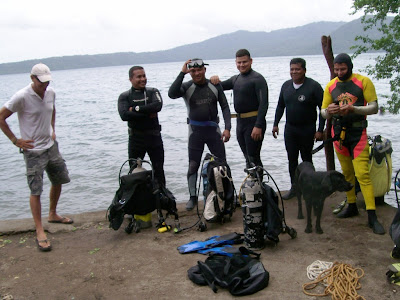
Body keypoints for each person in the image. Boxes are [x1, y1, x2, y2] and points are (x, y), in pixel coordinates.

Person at [0, 63, 72, 252]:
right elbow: (1, 117)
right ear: (32, 78)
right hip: (33, 151)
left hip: (51, 146)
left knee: (59, 179)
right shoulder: (22, 96)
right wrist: (16, 140)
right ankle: (39, 230)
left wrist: (53, 129)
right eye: (42, 83)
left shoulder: (51, 93)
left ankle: (53, 213)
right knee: (36, 190)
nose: (45, 86)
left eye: (47, 82)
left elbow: (52, 110)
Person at [321, 53, 385, 235]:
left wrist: (354, 108)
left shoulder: (363, 81)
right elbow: (324, 112)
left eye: (343, 69)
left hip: (358, 133)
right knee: (347, 173)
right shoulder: (331, 85)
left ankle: (372, 215)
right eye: (336, 69)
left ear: (350, 66)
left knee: (362, 174)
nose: (340, 72)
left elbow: (373, 107)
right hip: (339, 134)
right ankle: (351, 205)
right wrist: (330, 111)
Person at [168, 58, 231, 211]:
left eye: (199, 70)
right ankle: (193, 198)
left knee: (222, 164)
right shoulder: (186, 87)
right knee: (193, 166)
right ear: (190, 72)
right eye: (193, 71)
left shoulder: (214, 85)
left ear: (204, 70)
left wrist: (227, 128)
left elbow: (224, 107)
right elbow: (171, 94)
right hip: (195, 132)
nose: (196, 73)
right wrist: (182, 73)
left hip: (213, 131)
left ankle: (228, 196)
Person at [272, 58, 325, 199]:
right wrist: (275, 124)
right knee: (292, 160)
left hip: (307, 129)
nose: (294, 72)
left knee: (307, 160)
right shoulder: (286, 86)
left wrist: (320, 130)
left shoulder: (314, 86)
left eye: (297, 69)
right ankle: (295, 188)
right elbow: (280, 106)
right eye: (292, 69)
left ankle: (310, 188)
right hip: (290, 129)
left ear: (304, 70)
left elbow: (323, 109)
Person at [210, 49, 268, 173]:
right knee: (247, 157)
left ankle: (259, 187)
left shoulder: (257, 79)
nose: (241, 65)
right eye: (239, 62)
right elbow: (219, 86)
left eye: (244, 62)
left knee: (253, 156)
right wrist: (214, 79)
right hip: (241, 122)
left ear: (251, 61)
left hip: (254, 122)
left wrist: (258, 125)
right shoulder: (235, 79)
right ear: (235, 63)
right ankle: (252, 184)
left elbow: (264, 104)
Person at [118, 66, 166, 187]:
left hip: (154, 137)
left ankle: (162, 199)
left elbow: (158, 106)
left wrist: (135, 109)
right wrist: (147, 113)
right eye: (139, 76)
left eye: (144, 76)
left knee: (158, 170)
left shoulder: (153, 91)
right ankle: (139, 201)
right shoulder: (125, 96)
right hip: (136, 139)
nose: (143, 79)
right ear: (131, 79)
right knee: (134, 171)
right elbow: (124, 115)